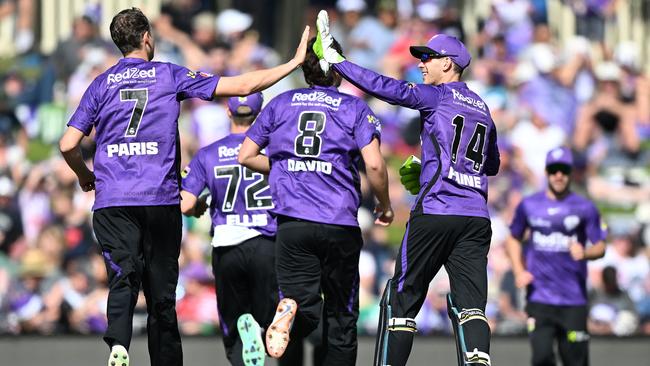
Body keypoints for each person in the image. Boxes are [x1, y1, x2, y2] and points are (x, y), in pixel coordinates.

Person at [58, 7, 310, 366]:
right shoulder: (168, 75)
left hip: (113, 200)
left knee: (123, 275)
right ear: (147, 38)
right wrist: (293, 62)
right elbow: (240, 85)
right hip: (160, 200)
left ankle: (119, 344)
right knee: (161, 295)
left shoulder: (100, 84)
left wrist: (85, 176)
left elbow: (68, 144)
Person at [314, 10, 500, 366]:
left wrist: (339, 62)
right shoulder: (484, 108)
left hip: (437, 211)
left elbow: (388, 89)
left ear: (449, 64)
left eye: (428, 58)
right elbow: (491, 165)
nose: (422, 65)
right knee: (472, 307)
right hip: (476, 218)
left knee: (399, 300)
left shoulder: (438, 97)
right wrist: (438, 163)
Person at [238, 36, 392, 366]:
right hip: (339, 223)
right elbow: (376, 164)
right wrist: (385, 204)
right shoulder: (353, 107)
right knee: (341, 317)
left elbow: (246, 155)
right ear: (337, 70)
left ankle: (289, 312)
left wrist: (287, 166)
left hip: (293, 223)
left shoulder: (280, 104)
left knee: (299, 302)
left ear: (306, 71)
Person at [180, 93, 298, 366]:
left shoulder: (207, 154)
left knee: (233, 323)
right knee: (274, 322)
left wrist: (199, 207)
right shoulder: (275, 151)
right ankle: (264, 326)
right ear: (259, 115)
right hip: (267, 242)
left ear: (228, 113)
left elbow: (185, 205)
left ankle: (245, 342)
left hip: (227, 244)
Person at [506, 146, 606, 366]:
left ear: (571, 172)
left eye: (563, 170)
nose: (558, 175)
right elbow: (513, 238)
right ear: (546, 172)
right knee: (541, 358)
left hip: (573, 300)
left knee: (575, 361)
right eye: (554, 170)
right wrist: (518, 270)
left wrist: (585, 252)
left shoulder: (585, 207)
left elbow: (600, 246)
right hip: (539, 298)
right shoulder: (529, 205)